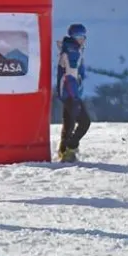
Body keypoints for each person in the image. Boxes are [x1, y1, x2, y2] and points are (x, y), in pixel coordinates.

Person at [56, 23, 92, 161]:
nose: (81, 39)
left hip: (67, 94)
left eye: (83, 36)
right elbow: (70, 77)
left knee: (69, 123)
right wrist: (75, 97)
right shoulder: (72, 52)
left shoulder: (70, 49)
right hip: (71, 94)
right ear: (72, 37)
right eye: (78, 36)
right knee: (85, 122)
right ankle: (70, 148)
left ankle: (63, 150)